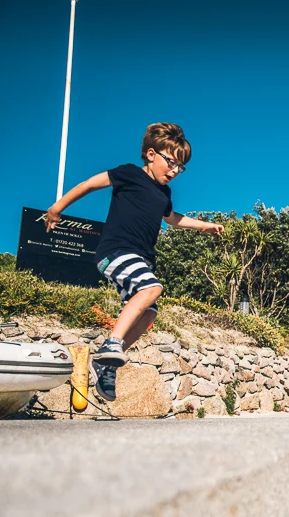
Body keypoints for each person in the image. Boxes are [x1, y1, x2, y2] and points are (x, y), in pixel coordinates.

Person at [45, 122, 223, 401]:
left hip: (140, 259)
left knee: (149, 312)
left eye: (181, 168)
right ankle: (112, 343)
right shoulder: (128, 173)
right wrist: (57, 208)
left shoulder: (164, 194)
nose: (175, 171)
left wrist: (203, 226)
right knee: (152, 289)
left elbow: (172, 219)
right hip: (114, 252)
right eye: (171, 163)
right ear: (151, 154)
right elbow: (89, 184)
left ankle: (104, 365)